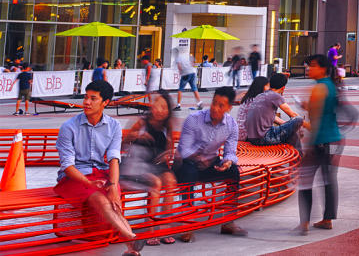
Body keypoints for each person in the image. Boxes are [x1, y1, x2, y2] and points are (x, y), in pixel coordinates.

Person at [56, 80, 141, 254]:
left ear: (105, 103)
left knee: (114, 199)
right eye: (86, 97)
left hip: (102, 174)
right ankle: (131, 238)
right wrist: (88, 183)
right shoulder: (69, 127)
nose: (86, 102)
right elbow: (67, 166)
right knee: (102, 199)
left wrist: (113, 185)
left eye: (93, 98)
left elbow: (114, 158)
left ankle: (132, 248)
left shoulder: (114, 126)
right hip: (74, 178)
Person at [175, 86, 248, 241]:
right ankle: (187, 223)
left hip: (211, 162)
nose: (215, 108)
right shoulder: (194, 119)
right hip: (188, 162)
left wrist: (228, 162)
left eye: (221, 105)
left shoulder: (231, 125)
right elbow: (184, 150)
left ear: (229, 108)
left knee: (233, 171)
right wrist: (199, 158)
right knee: (188, 172)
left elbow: (230, 151)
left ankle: (228, 221)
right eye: (214, 102)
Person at [297, 53, 343, 234]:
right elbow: (326, 111)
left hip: (320, 142)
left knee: (305, 178)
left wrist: (307, 140)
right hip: (335, 139)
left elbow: (315, 122)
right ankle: (327, 219)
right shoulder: (331, 86)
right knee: (329, 179)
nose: (309, 68)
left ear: (323, 68)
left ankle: (304, 222)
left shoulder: (317, 89)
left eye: (313, 65)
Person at [121, 90, 177, 230]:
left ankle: (165, 224)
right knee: (156, 183)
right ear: (152, 107)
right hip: (138, 165)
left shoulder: (167, 125)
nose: (160, 111)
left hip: (158, 165)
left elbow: (170, 149)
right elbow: (122, 144)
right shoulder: (142, 123)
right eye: (157, 106)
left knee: (170, 181)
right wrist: (136, 135)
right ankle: (150, 225)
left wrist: (168, 153)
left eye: (164, 108)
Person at [241, 73, 305, 148]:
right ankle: (299, 156)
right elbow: (293, 115)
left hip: (251, 137)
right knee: (299, 119)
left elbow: (273, 118)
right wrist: (307, 126)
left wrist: (288, 126)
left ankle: (298, 155)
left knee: (292, 133)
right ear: (283, 87)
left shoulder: (260, 95)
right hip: (264, 138)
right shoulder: (275, 96)